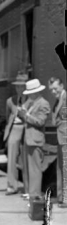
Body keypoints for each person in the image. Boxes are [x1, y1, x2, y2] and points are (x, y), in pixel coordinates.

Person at [19, 79, 51, 201]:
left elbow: (40, 121)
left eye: (30, 93)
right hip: (29, 139)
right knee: (28, 168)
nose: (29, 95)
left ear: (36, 92)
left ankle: (35, 193)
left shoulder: (43, 104)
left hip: (35, 139)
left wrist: (26, 115)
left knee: (35, 168)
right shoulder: (31, 102)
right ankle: (30, 191)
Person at [4, 72, 28, 195]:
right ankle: (11, 186)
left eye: (22, 86)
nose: (19, 89)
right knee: (12, 158)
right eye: (17, 86)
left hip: (26, 128)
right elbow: (7, 117)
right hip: (14, 128)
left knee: (25, 158)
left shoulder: (31, 99)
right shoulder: (10, 101)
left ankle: (27, 188)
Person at [48, 77, 67, 207]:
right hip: (61, 138)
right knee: (60, 167)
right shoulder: (58, 99)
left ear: (61, 85)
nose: (53, 91)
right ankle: (61, 197)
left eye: (55, 88)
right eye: (51, 89)